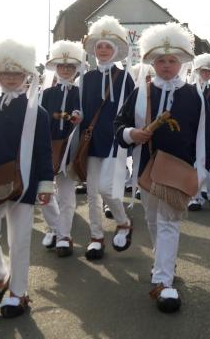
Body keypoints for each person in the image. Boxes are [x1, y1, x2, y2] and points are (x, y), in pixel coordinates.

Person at [114, 23, 210, 313]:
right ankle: (165, 260)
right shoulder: (141, 92)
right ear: (152, 62)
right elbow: (118, 125)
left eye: (172, 61)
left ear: (181, 63)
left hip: (179, 169)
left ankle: (163, 282)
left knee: (170, 220)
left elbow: (205, 134)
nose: (167, 66)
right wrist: (131, 134)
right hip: (146, 167)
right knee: (153, 218)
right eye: (161, 60)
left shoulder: (193, 95)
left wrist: (202, 170)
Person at [0, 39, 54, 318]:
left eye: (16, 74)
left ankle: (19, 293)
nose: (9, 78)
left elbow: (43, 151)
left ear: (26, 76)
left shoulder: (36, 111)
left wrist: (45, 184)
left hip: (25, 181)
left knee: (19, 240)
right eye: (4, 73)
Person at [77, 16, 135, 260]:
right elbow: (81, 107)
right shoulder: (86, 78)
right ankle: (96, 236)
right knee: (92, 192)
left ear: (115, 51)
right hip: (91, 140)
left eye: (107, 47)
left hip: (113, 140)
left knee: (107, 189)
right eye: (99, 46)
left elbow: (131, 111)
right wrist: (76, 116)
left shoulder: (124, 78)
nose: (102, 50)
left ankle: (123, 222)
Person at [39, 40, 84, 257]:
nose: (66, 70)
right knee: (45, 194)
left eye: (70, 67)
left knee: (66, 194)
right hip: (47, 148)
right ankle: (53, 228)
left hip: (69, 148)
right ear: (56, 68)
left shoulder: (80, 93)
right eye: (62, 66)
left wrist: (78, 118)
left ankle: (64, 235)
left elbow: (85, 117)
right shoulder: (46, 94)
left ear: (76, 70)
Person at [188, 53, 210, 212]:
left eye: (209, 71)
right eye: (203, 70)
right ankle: (195, 197)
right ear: (197, 70)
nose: (206, 74)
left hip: (209, 132)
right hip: (192, 132)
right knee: (193, 165)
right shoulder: (189, 89)